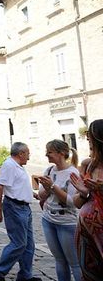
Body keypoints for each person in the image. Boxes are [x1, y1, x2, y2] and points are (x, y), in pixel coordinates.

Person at [0, 142, 41, 281]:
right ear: (21, 153)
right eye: (28, 154)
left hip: (24, 208)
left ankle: (25, 275)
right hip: (15, 207)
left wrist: (33, 194)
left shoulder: (19, 166)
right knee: (19, 243)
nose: (29, 158)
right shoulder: (9, 165)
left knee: (29, 245)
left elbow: (19, 185)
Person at [36, 139, 81, 281]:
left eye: (49, 152)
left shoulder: (72, 173)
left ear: (61, 153)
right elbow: (41, 195)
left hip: (67, 222)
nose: (46, 155)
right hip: (48, 219)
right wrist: (47, 187)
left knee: (74, 262)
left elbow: (71, 202)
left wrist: (53, 186)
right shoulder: (49, 170)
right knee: (59, 260)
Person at [71, 118, 103, 281]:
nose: (88, 140)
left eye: (90, 136)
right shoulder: (88, 165)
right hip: (87, 232)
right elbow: (77, 203)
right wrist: (84, 193)